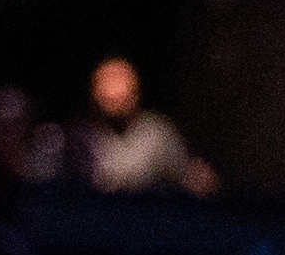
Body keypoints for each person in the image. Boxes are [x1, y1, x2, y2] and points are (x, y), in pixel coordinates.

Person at [82, 57, 214, 195]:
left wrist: (199, 178)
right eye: (108, 81)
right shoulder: (81, 138)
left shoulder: (157, 132)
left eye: (121, 81)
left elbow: (187, 173)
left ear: (136, 91)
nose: (115, 92)